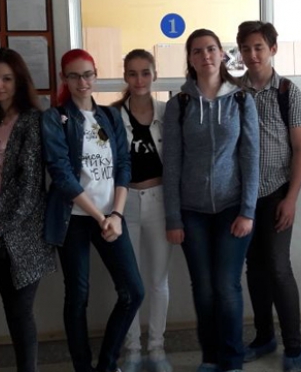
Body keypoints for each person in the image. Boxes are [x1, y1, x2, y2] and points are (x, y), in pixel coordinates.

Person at [42, 48, 144, 372]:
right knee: (78, 296)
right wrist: (101, 217)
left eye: (87, 74)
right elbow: (61, 175)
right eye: (73, 76)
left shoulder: (110, 117)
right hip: (74, 219)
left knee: (133, 292)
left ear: (96, 75)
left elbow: (124, 165)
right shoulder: (56, 118)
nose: (82, 82)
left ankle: (107, 364)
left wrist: (116, 215)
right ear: (64, 79)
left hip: (111, 217)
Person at [163, 28, 259, 372]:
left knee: (226, 286)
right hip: (192, 213)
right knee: (203, 289)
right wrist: (173, 217)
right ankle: (210, 357)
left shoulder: (242, 100)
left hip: (233, 209)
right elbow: (172, 163)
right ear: (190, 59)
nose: (205, 55)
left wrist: (248, 210)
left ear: (222, 54)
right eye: (197, 51)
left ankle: (231, 360)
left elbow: (250, 156)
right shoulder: (179, 104)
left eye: (211, 49)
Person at [0, 48, 55, 372]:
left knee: (20, 310)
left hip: (23, 226)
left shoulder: (32, 120)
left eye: (6, 79)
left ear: (19, 81)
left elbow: (28, 183)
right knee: (11, 309)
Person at [235, 21, 301, 372]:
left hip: (277, 192)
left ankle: (293, 346)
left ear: (273, 49)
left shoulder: (287, 91)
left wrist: (291, 198)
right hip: (243, 198)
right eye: (246, 48)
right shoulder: (234, 92)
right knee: (255, 268)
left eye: (259, 47)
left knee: (279, 267)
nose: (252, 55)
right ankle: (264, 336)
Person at [113, 49, 174, 372]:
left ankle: (156, 347)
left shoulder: (166, 112)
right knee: (131, 283)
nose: (139, 80)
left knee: (158, 281)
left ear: (154, 75)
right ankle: (133, 348)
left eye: (145, 73)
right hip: (125, 204)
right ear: (125, 76)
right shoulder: (113, 115)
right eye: (133, 73)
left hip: (160, 200)